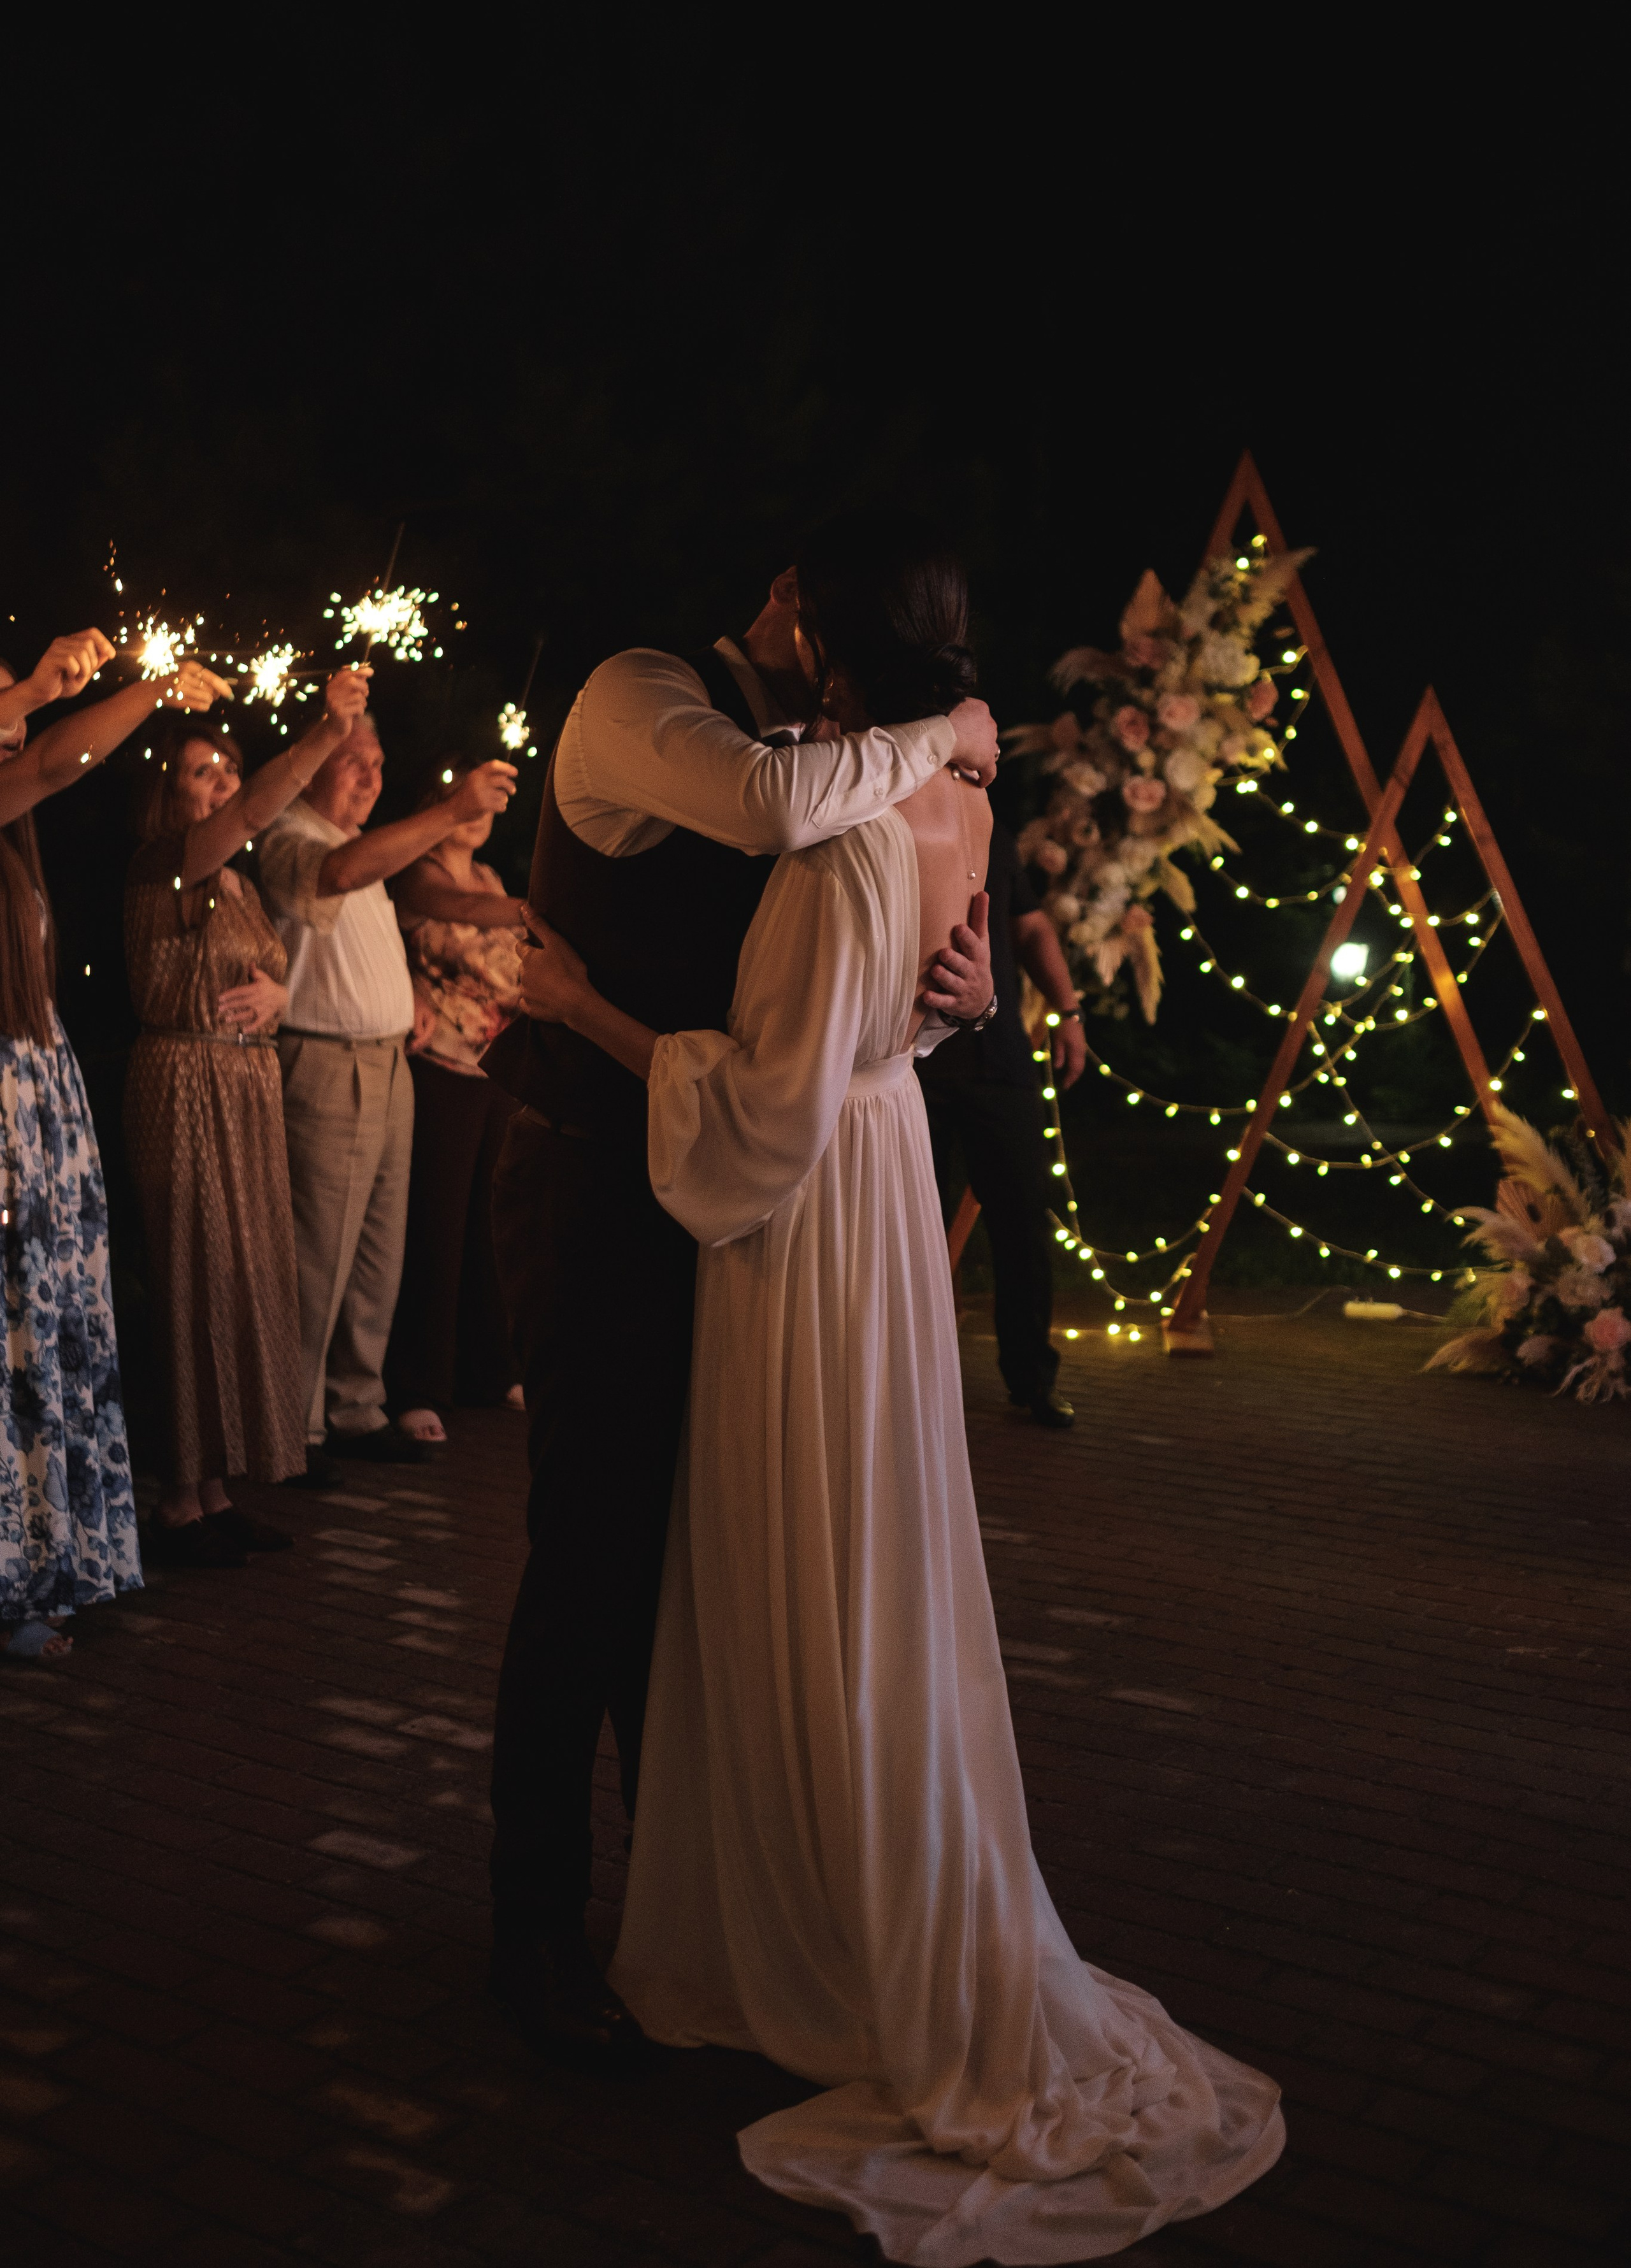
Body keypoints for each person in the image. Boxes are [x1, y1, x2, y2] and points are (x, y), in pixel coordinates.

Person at [520, 513, 1284, 2265]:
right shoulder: (911, 785)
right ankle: (742, 1884)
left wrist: (586, 1004)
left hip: (791, 1218)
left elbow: (775, 1090)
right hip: (859, 1200)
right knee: (833, 1561)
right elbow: (880, 1001)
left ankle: (799, 1905)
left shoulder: (851, 803)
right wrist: (943, 987)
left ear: (828, 638)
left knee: (799, 1564)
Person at [482, 561, 1000, 2053]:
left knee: (693, 1553)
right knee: (590, 1549)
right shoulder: (641, 695)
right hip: (590, 1166)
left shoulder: (841, 759)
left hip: (738, 1183)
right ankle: (531, 1927)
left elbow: (901, 943)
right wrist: (950, 725)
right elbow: (773, 813)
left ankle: (693, 1900)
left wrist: (964, 999)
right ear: (785, 604)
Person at [2, 631, 229, 1662]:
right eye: (3, 695)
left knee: (41, 1328)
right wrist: (148, 688)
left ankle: (45, 1556)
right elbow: (53, 758)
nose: (21, 710)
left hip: (32, 1091)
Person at [124, 666, 375, 1567]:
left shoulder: (235, 882)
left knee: (240, 1275)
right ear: (170, 790)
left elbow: (267, 966)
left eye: (229, 772)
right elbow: (258, 816)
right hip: (186, 1084)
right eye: (204, 773)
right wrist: (325, 728)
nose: (225, 788)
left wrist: (278, 992)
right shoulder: (172, 863)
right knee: (194, 1273)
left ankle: (218, 1487)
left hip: (243, 1088)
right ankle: (179, 1498)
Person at [256, 717, 517, 1476]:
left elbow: (373, 941)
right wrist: (450, 809)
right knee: (319, 1252)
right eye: (351, 763)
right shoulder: (296, 836)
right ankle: (293, 1427)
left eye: (377, 762)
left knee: (377, 1252)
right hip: (326, 1061)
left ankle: (354, 1404)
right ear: (309, 768)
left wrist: (403, 988)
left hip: (387, 1060)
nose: (369, 777)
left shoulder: (369, 848)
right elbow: (337, 879)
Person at [917, 817, 1089, 1426]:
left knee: (1023, 1220)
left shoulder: (988, 822)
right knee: (913, 1234)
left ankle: (1032, 1379)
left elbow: (1032, 923)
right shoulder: (887, 810)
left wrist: (1068, 1011)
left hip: (999, 1057)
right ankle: (915, 1386)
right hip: (912, 1064)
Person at [383, 761, 528, 1442]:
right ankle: (417, 1386)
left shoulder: (492, 877)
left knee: (489, 1226)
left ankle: (488, 1367)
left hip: (497, 1067)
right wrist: (541, 910)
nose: (477, 812)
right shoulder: (418, 875)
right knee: (435, 1227)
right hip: (438, 1065)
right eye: (461, 798)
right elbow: (461, 914)